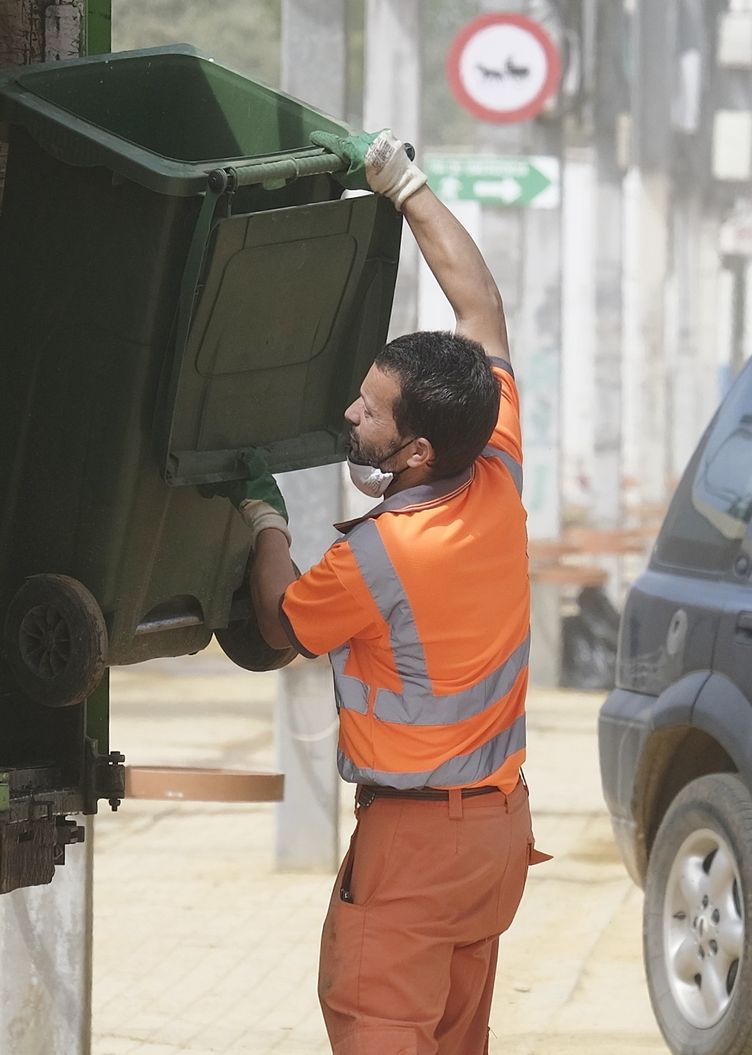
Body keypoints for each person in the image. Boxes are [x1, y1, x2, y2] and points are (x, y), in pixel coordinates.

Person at [230, 128, 549, 1055]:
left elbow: (282, 622)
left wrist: (265, 522)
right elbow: (480, 306)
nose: (348, 413)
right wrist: (407, 187)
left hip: (414, 844)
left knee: (378, 1025)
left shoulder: (384, 558)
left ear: (415, 452)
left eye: (367, 410)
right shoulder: (493, 467)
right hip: (495, 834)